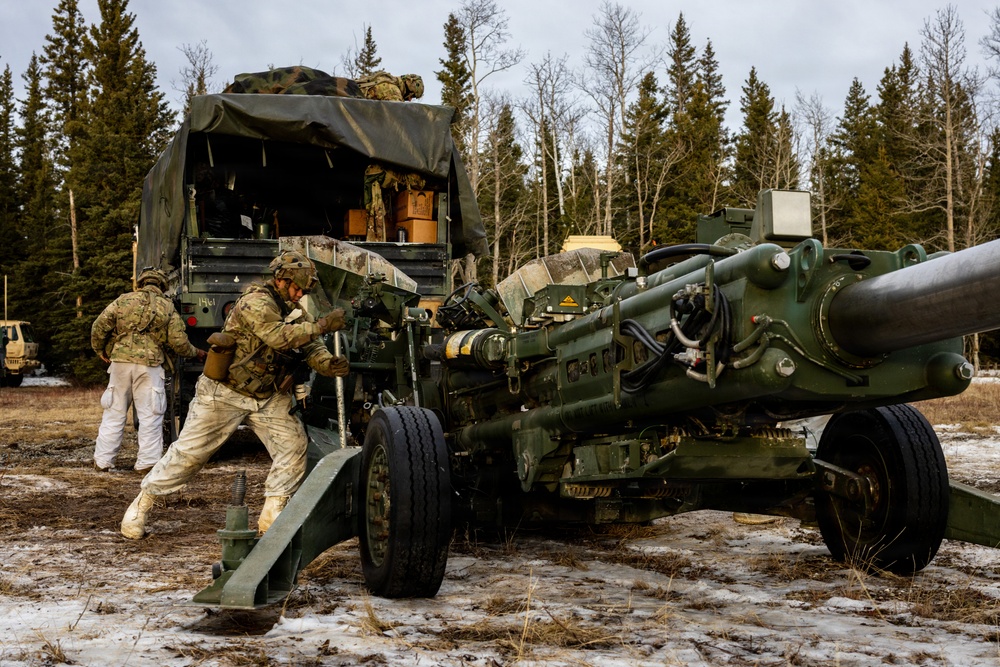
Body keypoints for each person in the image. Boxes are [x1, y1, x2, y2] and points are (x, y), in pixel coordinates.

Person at [121, 250, 349, 540]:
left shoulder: (295, 311)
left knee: (293, 447)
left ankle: (273, 514)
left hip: (267, 397)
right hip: (224, 393)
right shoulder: (256, 302)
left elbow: (309, 346)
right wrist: (323, 325)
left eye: (304, 289)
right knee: (188, 455)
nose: (300, 293)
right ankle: (141, 505)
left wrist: (327, 363)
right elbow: (280, 336)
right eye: (297, 287)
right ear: (281, 280)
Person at [91, 268, 206, 473]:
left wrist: (100, 349)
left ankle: (103, 461)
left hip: (120, 363)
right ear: (162, 286)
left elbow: (99, 326)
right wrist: (195, 352)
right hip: (150, 366)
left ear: (141, 283)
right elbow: (179, 342)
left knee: (114, 413)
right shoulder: (167, 307)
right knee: (150, 415)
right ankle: (147, 463)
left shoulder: (122, 300)